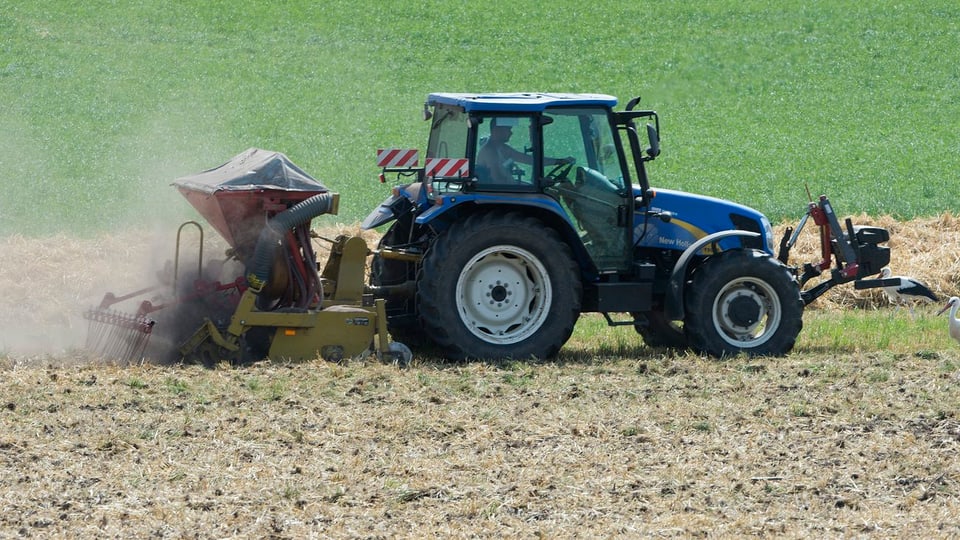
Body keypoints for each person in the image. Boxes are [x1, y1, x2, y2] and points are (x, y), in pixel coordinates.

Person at [476, 117, 573, 183]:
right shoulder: (490, 151)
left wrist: (558, 161)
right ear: (497, 130)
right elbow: (498, 179)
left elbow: (528, 159)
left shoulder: (501, 148)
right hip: (502, 196)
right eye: (508, 129)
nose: (511, 133)